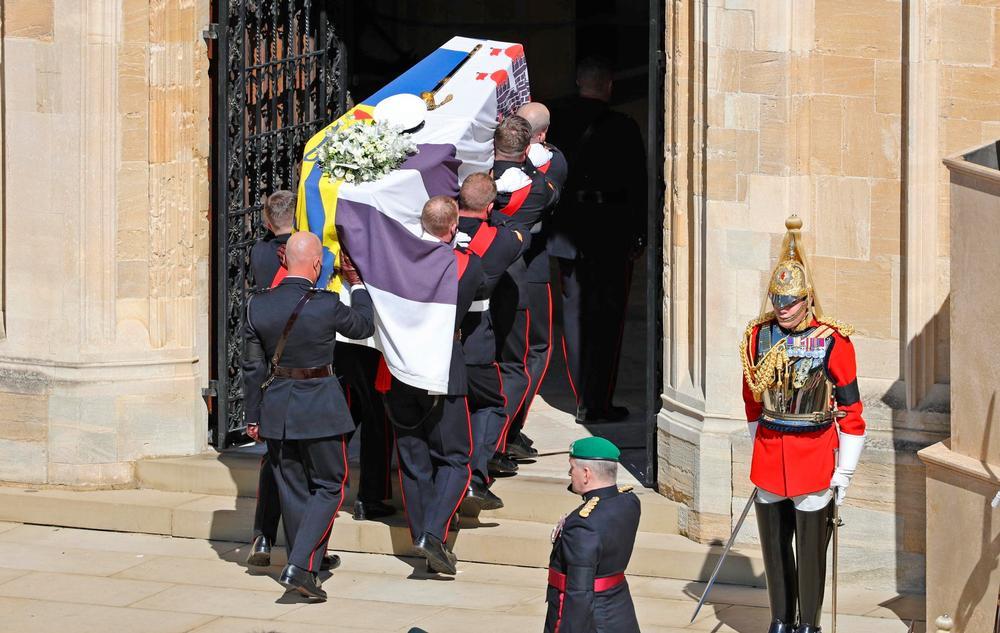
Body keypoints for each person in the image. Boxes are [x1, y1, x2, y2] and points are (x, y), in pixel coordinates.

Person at [740, 217, 865, 633]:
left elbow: (851, 410)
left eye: (790, 300)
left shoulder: (833, 339)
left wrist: (843, 471)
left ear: (807, 299)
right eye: (777, 298)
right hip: (771, 457)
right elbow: (752, 401)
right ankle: (780, 619)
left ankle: (807, 625)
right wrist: (757, 446)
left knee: (810, 557)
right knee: (774, 554)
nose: (782, 307)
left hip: (813, 457)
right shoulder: (757, 336)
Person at [243, 231, 375, 600]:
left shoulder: (259, 305)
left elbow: (252, 369)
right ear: (317, 265)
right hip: (319, 406)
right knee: (331, 485)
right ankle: (300, 566)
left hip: (279, 408)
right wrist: (359, 286)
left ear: (284, 260)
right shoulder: (325, 304)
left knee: (295, 489)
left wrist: (253, 415)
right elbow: (363, 325)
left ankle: (308, 562)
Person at [384, 196, 486, 575]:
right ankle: (433, 534)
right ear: (453, 225)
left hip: (399, 371)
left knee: (413, 463)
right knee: (456, 459)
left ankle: (423, 536)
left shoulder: (393, 262)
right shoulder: (465, 264)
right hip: (443, 370)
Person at [548, 57, 647, 424]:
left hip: (569, 229)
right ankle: (596, 401)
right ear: (608, 87)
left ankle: (579, 397)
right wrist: (639, 232)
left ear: (578, 83)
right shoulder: (622, 126)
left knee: (573, 317)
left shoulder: (557, 122)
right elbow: (638, 182)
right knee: (606, 319)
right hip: (610, 231)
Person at [455, 172, 530, 511]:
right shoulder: (501, 240)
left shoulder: (438, 229)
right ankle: (474, 475)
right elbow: (522, 236)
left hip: (436, 333)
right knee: (491, 403)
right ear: (488, 207)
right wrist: (495, 212)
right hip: (473, 336)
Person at [499, 102, 569, 458]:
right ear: (541, 134)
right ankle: (506, 431)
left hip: (524, 263)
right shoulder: (543, 162)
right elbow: (540, 201)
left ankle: (510, 427)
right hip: (525, 268)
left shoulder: (551, 160)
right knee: (534, 349)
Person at [245, 190, 297, 568]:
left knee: (274, 460)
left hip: (267, 357)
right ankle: (304, 548)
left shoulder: (260, 251)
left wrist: (251, 412)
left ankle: (263, 537)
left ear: (266, 221)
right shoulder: (309, 250)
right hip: (302, 356)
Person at [544, 436, 641, 633]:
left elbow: (580, 592)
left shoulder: (582, 525)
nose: (570, 474)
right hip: (619, 606)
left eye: (573, 468)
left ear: (586, 474)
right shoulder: (629, 502)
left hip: (592, 618)